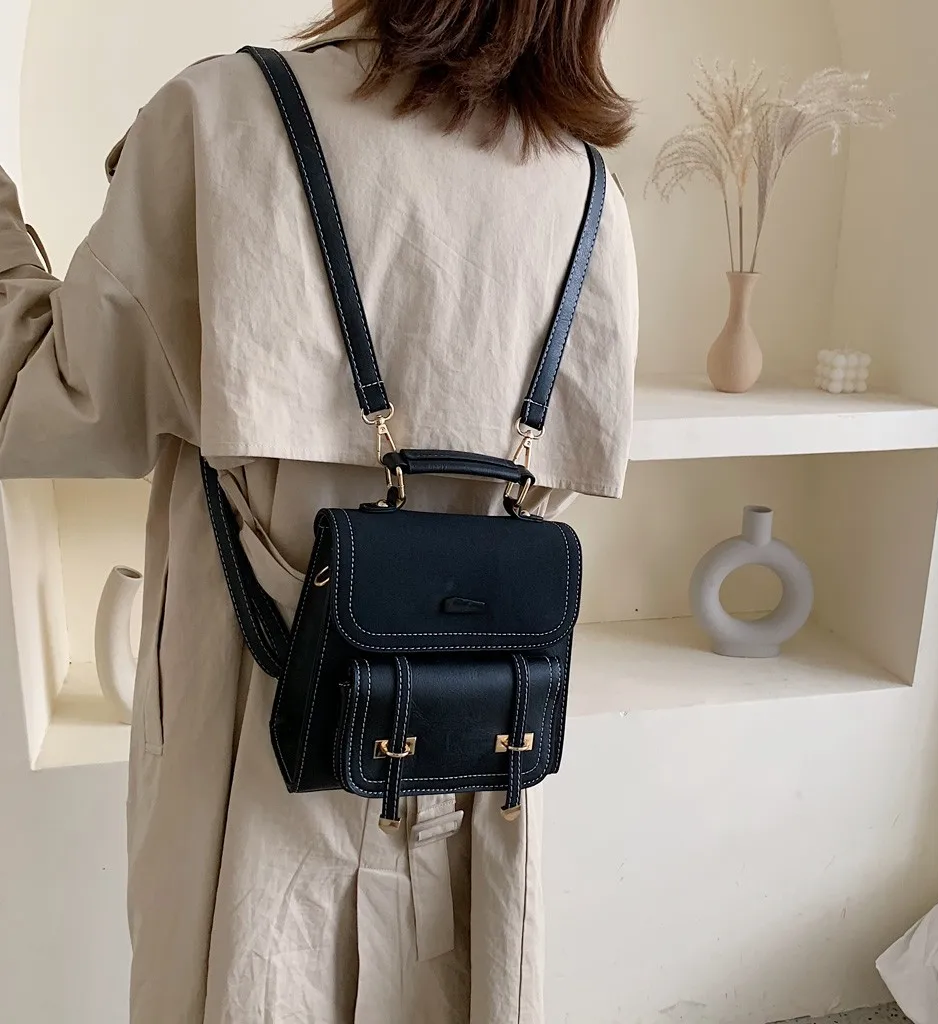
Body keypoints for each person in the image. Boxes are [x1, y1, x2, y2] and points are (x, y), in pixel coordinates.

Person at [0, 1, 638, 1021]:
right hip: (474, 752)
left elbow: (46, 407)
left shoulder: (221, 116)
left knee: (249, 977)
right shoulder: (588, 190)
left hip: (252, 755)